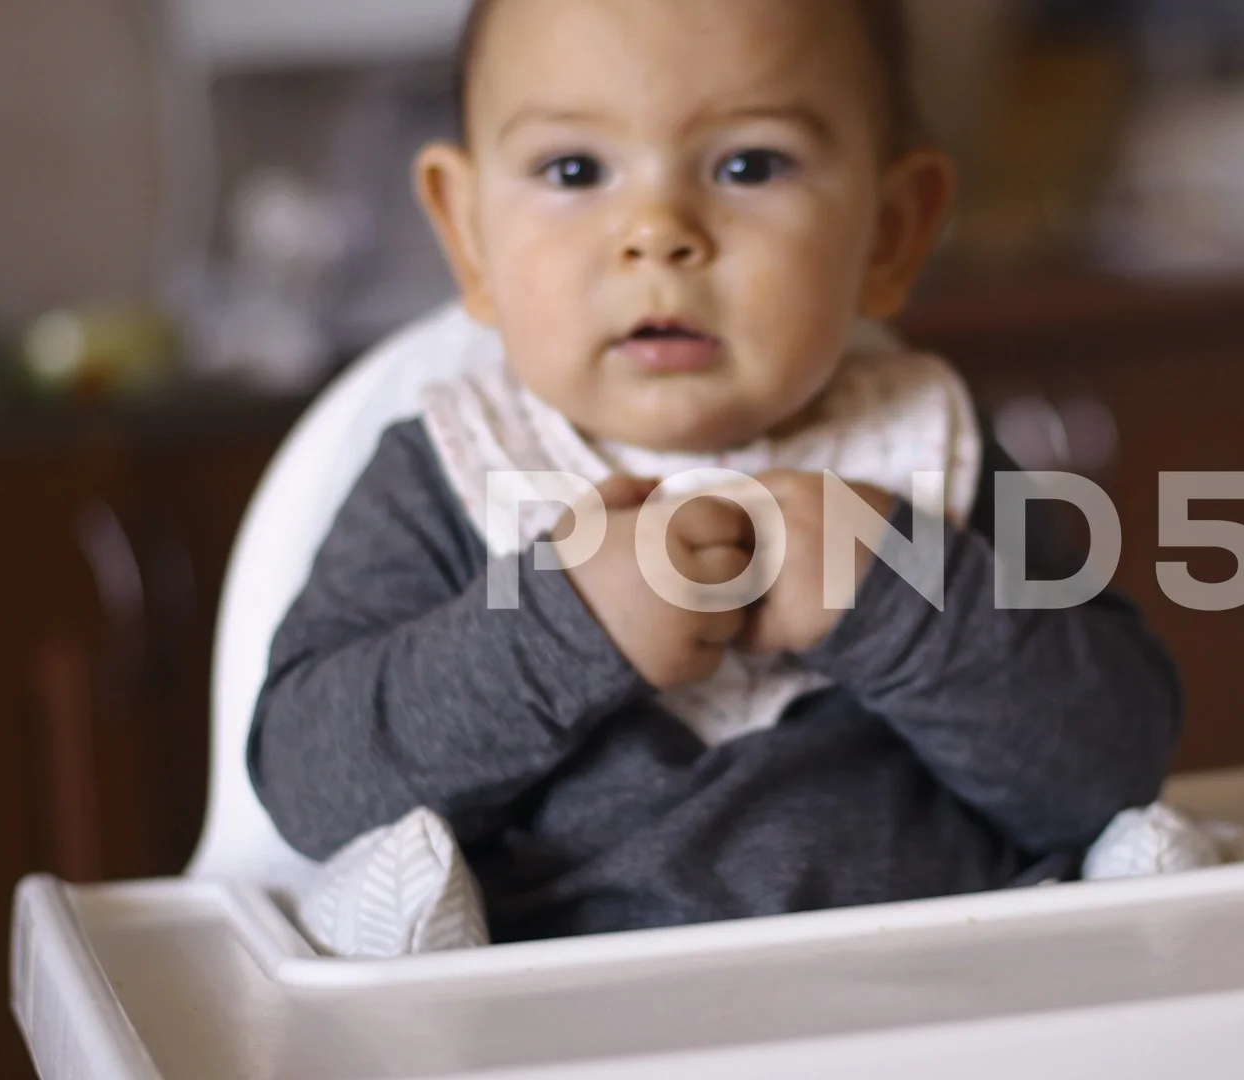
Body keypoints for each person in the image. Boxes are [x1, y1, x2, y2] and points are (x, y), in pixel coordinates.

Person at [249, 0, 1184, 944]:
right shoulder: (447, 469)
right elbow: (312, 786)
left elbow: (1113, 767)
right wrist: (557, 627)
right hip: (564, 1028)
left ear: (892, 228)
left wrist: (903, 594)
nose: (658, 231)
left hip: (940, 1005)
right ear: (470, 233)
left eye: (751, 165)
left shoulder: (940, 448)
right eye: (574, 169)